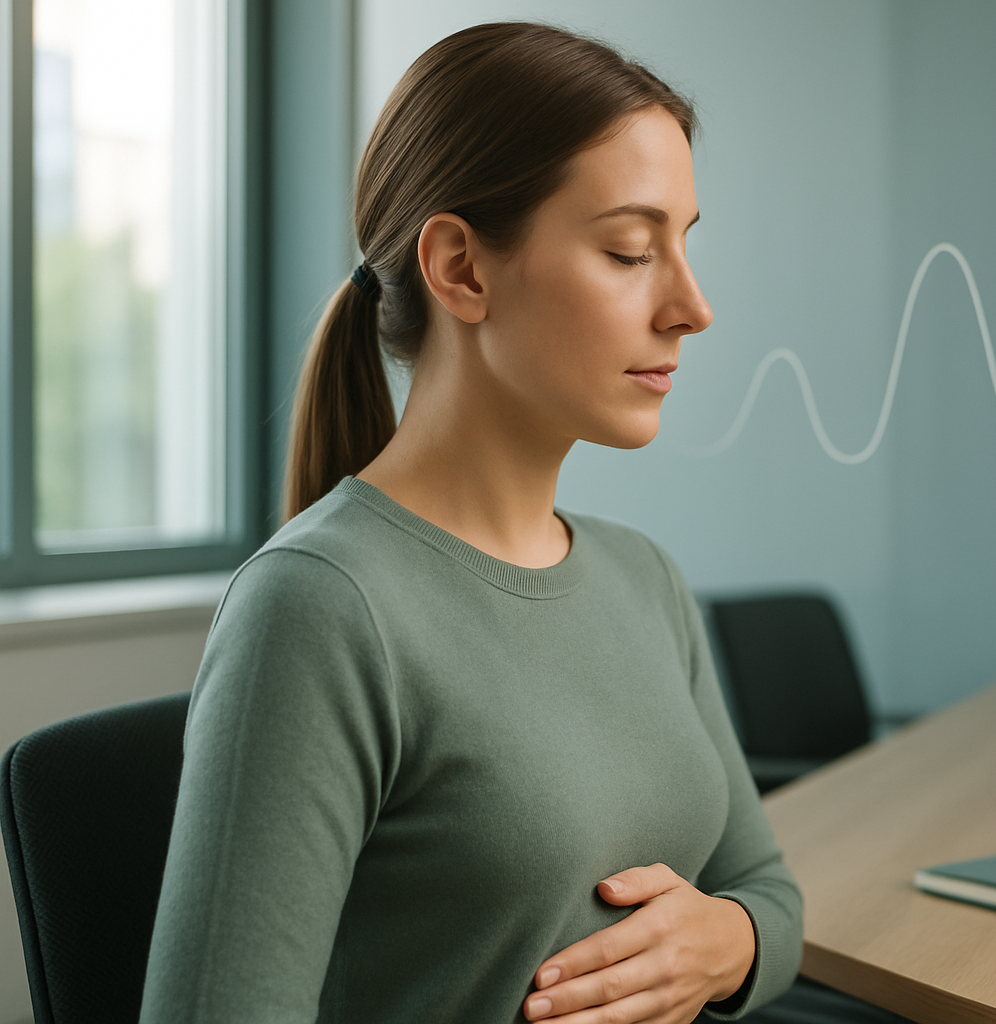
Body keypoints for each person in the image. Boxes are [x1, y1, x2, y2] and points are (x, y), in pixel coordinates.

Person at [140, 22, 802, 1024]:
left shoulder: (646, 580)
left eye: (684, 243)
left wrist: (727, 942)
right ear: (461, 269)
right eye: (630, 250)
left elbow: (768, 892)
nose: (692, 306)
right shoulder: (319, 608)